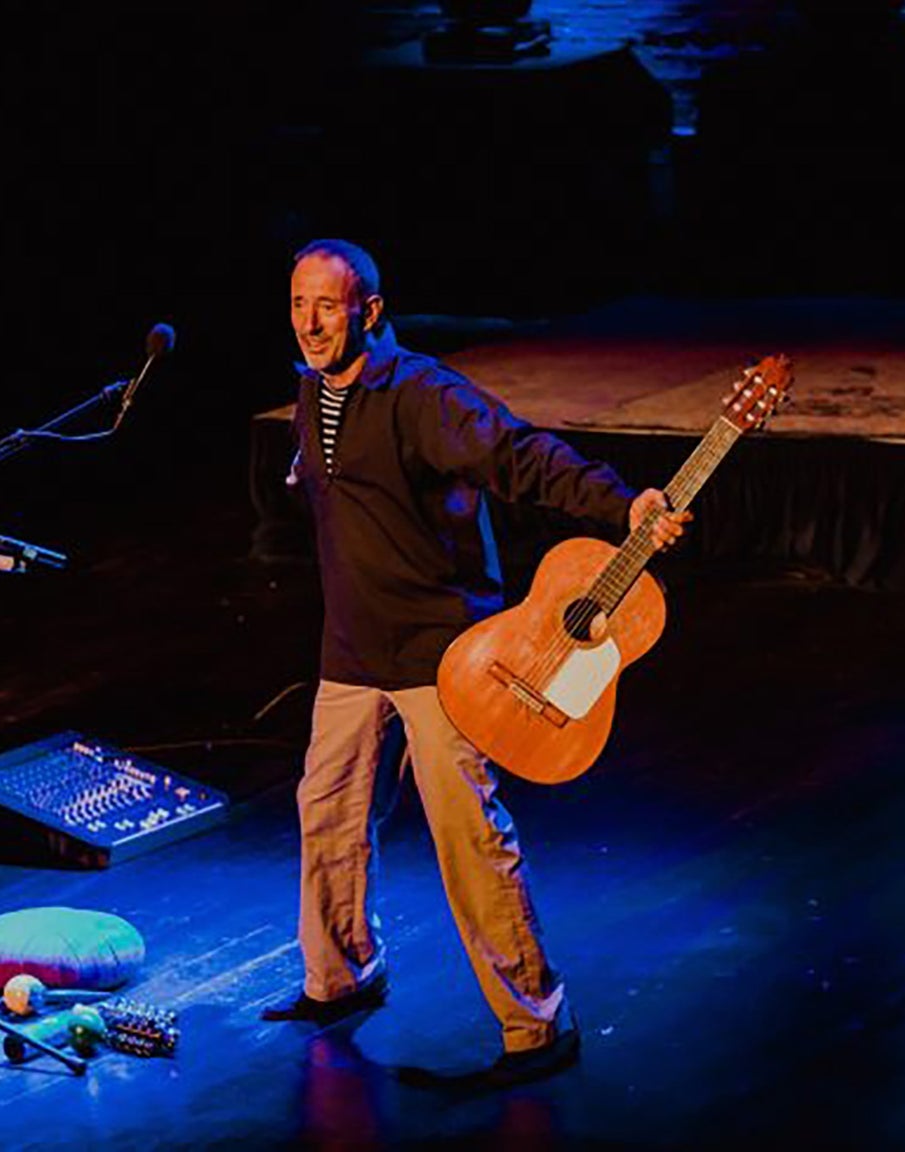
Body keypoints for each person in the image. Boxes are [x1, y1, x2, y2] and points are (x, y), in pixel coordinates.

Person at [262, 240, 689, 1088]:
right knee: (328, 813)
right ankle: (339, 976)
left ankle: (537, 1022)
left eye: (328, 306)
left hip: (440, 653)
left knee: (466, 838)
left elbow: (521, 456)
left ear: (369, 312)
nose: (310, 323)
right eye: (298, 304)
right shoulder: (313, 390)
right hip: (351, 648)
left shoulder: (424, 396)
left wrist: (623, 504)